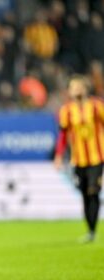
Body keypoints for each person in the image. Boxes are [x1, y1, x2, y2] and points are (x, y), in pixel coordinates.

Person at [54, 74, 104, 242]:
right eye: (73, 88)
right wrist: (59, 156)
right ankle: (90, 228)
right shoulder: (66, 111)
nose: (76, 90)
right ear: (69, 91)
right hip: (78, 159)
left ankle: (92, 231)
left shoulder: (97, 107)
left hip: (97, 157)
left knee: (93, 191)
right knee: (84, 194)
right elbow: (62, 135)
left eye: (79, 87)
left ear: (85, 89)